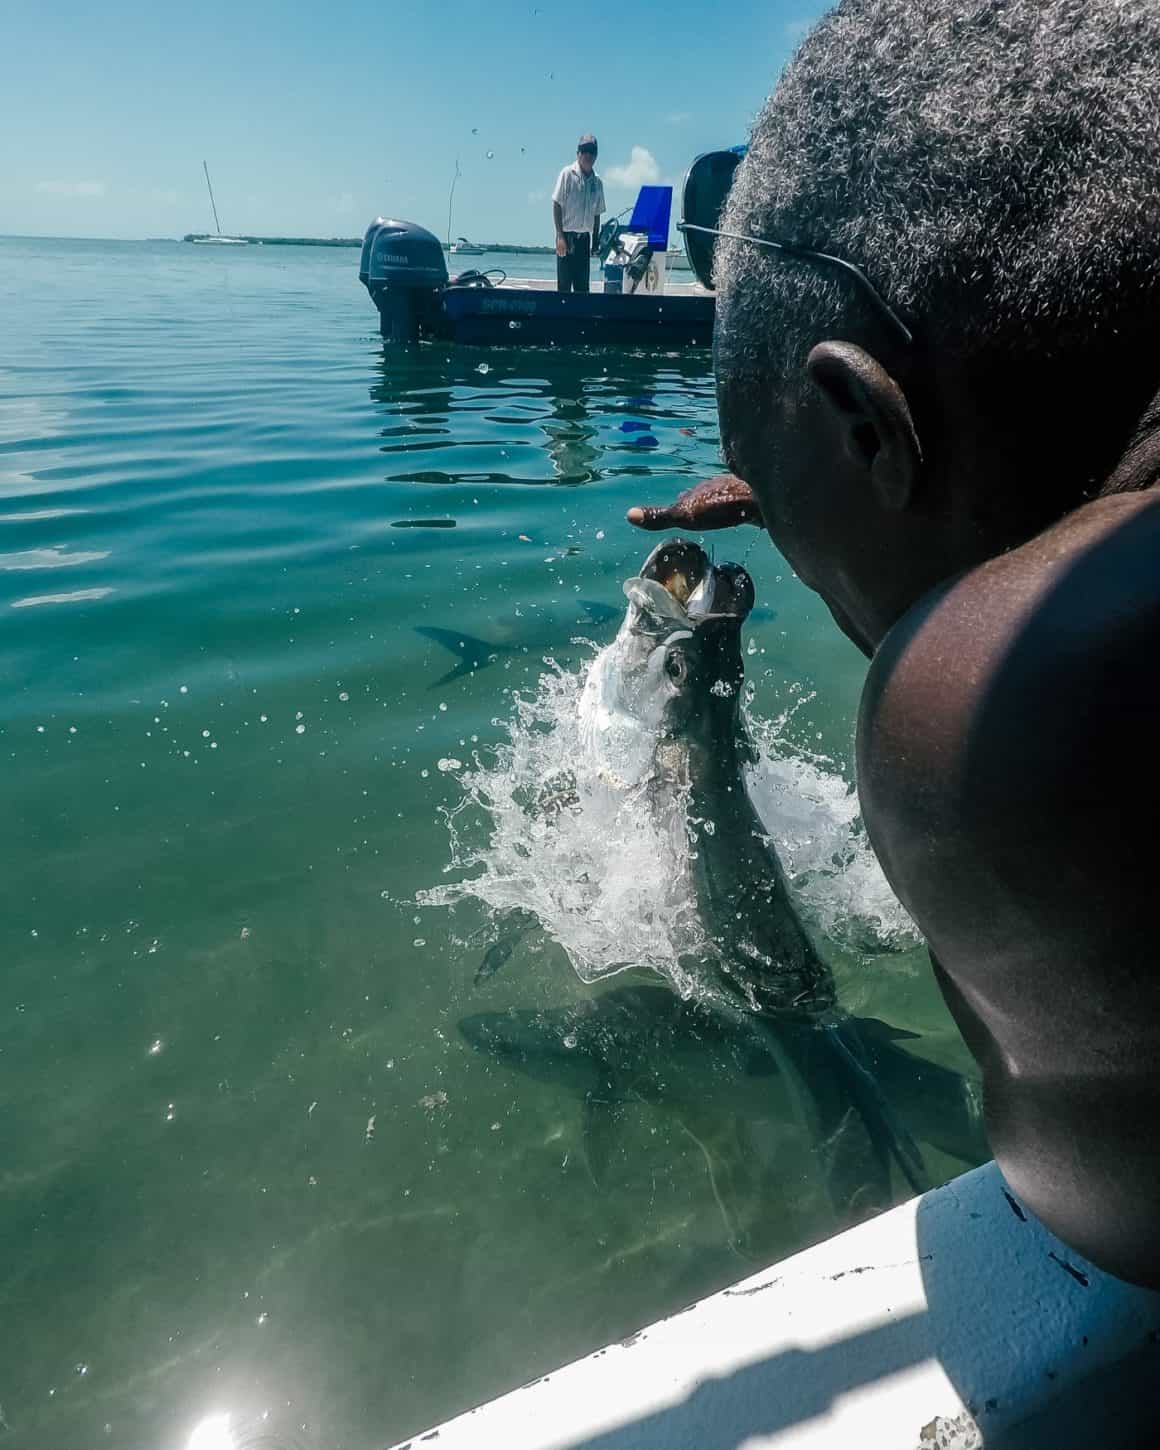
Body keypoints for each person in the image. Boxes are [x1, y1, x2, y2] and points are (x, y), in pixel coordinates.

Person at [628, 0, 1160, 1289]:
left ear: (868, 422)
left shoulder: (1029, 703)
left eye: (809, 572)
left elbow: (1097, 1216)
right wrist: (811, 476)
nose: (837, 610)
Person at [552, 135, 605, 294]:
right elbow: (556, 204)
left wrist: (595, 241)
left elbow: (597, 214)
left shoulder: (597, 182)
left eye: (592, 151)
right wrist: (560, 236)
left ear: (596, 155)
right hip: (566, 237)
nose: (588, 155)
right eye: (584, 150)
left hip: (584, 241)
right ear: (578, 153)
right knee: (564, 290)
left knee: (583, 290)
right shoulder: (567, 174)